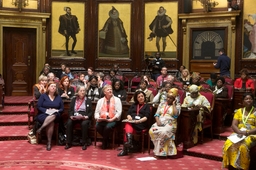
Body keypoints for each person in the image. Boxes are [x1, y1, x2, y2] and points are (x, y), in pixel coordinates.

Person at [222, 92, 256, 170]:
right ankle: (232, 166)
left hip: (252, 134)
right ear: (243, 101)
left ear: (253, 100)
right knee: (228, 143)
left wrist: (247, 132)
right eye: (246, 99)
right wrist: (239, 132)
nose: (248, 100)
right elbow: (234, 124)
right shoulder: (239, 111)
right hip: (239, 133)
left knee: (243, 146)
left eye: (250, 99)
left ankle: (243, 167)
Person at [118, 91, 150, 156]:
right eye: (139, 97)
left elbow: (146, 117)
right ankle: (129, 143)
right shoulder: (134, 105)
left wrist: (139, 121)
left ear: (144, 97)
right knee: (128, 124)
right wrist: (129, 117)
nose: (141, 98)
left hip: (141, 124)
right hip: (132, 123)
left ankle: (125, 148)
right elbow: (128, 114)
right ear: (136, 99)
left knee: (127, 127)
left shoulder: (147, 106)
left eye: (142, 96)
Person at [149, 88, 180, 157]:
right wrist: (158, 121)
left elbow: (176, 115)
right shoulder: (162, 104)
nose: (168, 99)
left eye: (171, 98)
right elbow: (156, 114)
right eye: (167, 97)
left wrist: (174, 104)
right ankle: (158, 151)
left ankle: (162, 153)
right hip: (160, 121)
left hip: (170, 123)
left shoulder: (177, 106)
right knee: (152, 131)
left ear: (174, 99)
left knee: (163, 132)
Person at [36, 82, 64, 151]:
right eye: (52, 86)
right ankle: (49, 143)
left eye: (54, 86)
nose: (53, 87)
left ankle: (41, 128)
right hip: (44, 114)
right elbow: (38, 106)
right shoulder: (43, 96)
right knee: (51, 122)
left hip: (55, 115)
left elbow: (62, 108)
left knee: (53, 115)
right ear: (48, 87)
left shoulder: (58, 97)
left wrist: (57, 110)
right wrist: (46, 110)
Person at [94, 85, 122, 149]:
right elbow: (96, 112)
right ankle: (107, 139)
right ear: (104, 92)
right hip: (102, 119)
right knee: (97, 126)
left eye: (111, 89)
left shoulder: (117, 100)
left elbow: (119, 112)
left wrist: (112, 119)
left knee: (107, 127)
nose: (110, 90)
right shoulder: (100, 101)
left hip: (113, 119)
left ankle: (104, 142)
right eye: (108, 90)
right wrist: (98, 118)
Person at [65, 85, 92, 150]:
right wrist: (71, 116)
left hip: (84, 116)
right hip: (75, 115)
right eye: (81, 91)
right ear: (77, 92)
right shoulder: (74, 100)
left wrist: (87, 116)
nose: (82, 92)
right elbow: (70, 110)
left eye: (84, 91)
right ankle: (68, 142)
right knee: (69, 123)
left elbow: (91, 112)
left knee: (84, 124)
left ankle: (84, 143)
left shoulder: (88, 100)